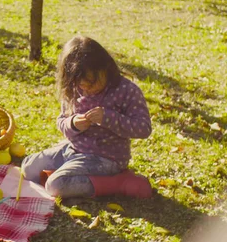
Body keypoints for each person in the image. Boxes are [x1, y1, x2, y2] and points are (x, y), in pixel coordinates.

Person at [21, 36, 153, 198]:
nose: (87, 89)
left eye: (92, 82)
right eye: (82, 85)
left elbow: (144, 128)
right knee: (28, 168)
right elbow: (62, 121)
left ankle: (119, 182)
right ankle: (74, 174)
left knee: (56, 186)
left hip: (106, 157)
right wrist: (73, 124)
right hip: (73, 149)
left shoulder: (126, 90)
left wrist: (108, 118)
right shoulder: (73, 88)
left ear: (105, 68)